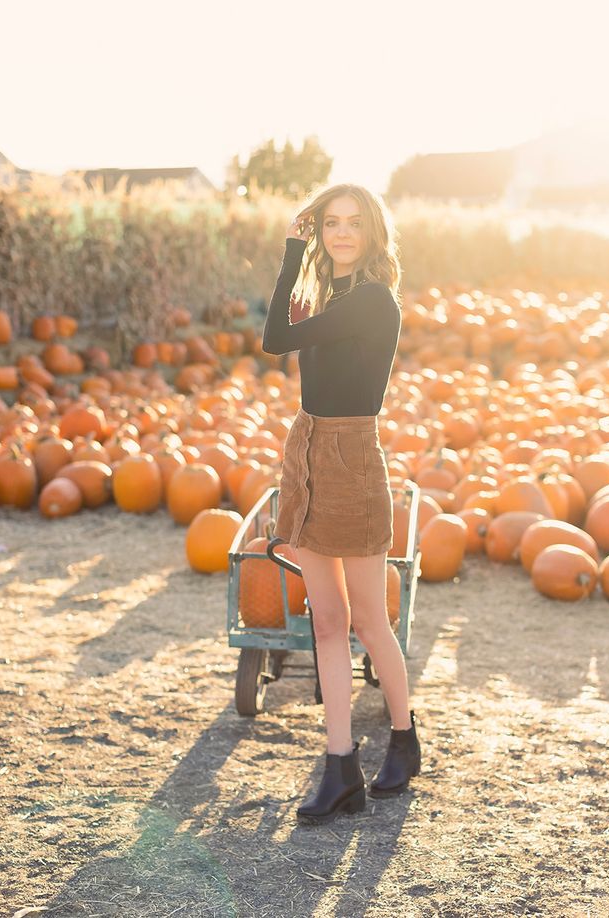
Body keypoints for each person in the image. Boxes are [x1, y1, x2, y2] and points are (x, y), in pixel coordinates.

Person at [261, 183, 421, 825]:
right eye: (331, 224)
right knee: (326, 623)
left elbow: (276, 336)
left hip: (351, 458)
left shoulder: (373, 301)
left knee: (367, 623)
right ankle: (341, 766)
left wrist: (289, 250)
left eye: (355, 223)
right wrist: (301, 259)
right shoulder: (329, 296)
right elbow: (290, 331)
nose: (343, 233)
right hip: (308, 447)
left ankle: (404, 741)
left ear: (373, 231)